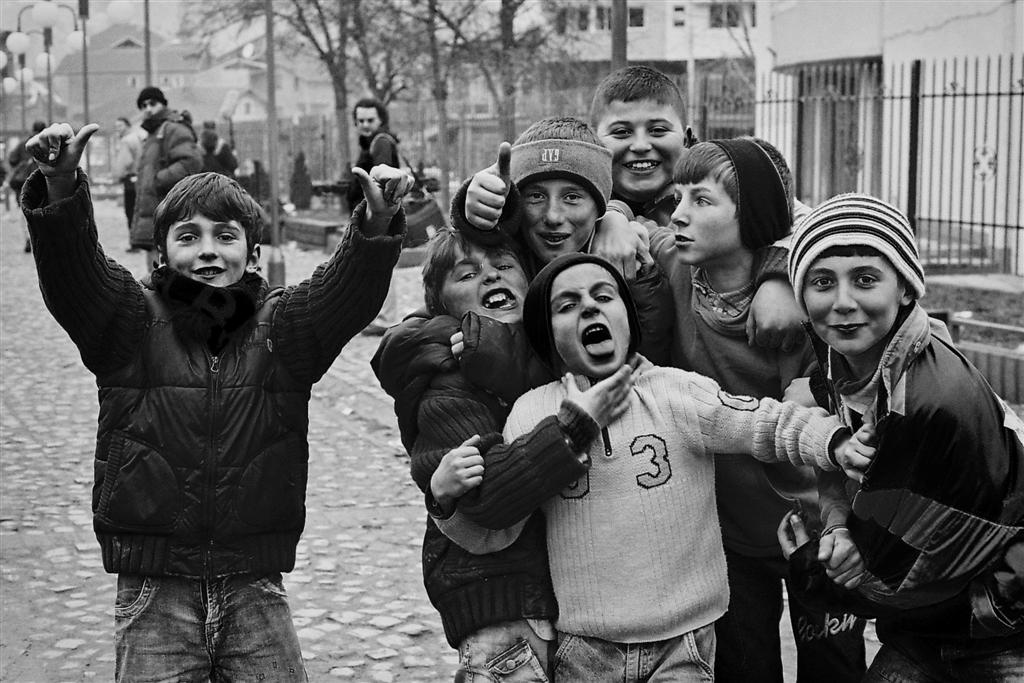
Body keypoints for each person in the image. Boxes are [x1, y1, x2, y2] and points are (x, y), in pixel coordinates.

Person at [20, 121, 412, 681]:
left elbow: (344, 293)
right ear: (160, 255)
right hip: (154, 592)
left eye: (225, 236)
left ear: (253, 255)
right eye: (188, 236)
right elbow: (74, 274)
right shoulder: (129, 321)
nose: (207, 250)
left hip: (255, 587)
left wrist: (375, 223)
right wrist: (61, 187)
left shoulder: (284, 328)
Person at [435, 252, 870, 681]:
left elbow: (766, 424)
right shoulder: (532, 414)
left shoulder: (677, 393)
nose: (589, 308)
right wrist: (445, 500)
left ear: (629, 318)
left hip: (684, 646)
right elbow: (499, 532)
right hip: (585, 651)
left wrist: (832, 442)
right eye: (566, 305)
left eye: (604, 296)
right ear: (546, 335)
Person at [639, 138, 866, 682]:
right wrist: (617, 221)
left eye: (702, 200)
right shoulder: (676, 263)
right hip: (728, 532)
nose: (679, 214)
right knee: (744, 667)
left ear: (754, 215)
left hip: (815, 523)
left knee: (833, 668)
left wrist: (783, 267)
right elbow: (627, 222)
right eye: (678, 197)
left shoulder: (802, 303)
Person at [780, 192, 1024, 682]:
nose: (843, 302)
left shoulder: (927, 402)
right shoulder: (843, 362)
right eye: (822, 281)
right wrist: (837, 526)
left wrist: (811, 566)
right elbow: (838, 464)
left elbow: (898, 574)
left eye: (865, 279)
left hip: (999, 623)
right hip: (927, 626)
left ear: (906, 289)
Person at [372, 228, 626, 681]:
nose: (490, 277)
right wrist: (570, 429)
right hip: (505, 614)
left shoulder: (553, 354)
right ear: (440, 304)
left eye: (504, 266)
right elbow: (488, 495)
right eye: (467, 274)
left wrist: (617, 219)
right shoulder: (446, 386)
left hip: (577, 603)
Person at [588, 65, 805, 350]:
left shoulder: (722, 179)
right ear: (594, 142)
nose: (640, 145)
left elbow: (798, 222)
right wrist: (612, 215)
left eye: (657, 130)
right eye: (621, 132)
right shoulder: (583, 203)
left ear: (687, 137)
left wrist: (780, 279)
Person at [132, 86, 203, 268]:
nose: (148, 109)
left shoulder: (172, 128)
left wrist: (159, 180)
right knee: (156, 268)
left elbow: (191, 162)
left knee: (168, 267)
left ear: (163, 104)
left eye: (152, 103)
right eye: (143, 105)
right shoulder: (153, 133)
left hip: (169, 210)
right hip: (157, 210)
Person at [350, 97, 402, 335]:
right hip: (370, 214)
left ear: (381, 120)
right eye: (360, 120)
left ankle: (384, 318)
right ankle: (377, 315)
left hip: (377, 215)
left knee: (381, 264)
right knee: (374, 264)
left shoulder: (380, 143)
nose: (365, 124)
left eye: (370, 120)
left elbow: (381, 177)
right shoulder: (371, 143)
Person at [7, 120, 46, 253]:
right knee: (42, 210)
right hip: (42, 184)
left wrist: (23, 163)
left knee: (24, 211)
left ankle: (29, 238)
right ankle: (41, 239)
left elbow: (12, 160)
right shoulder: (47, 144)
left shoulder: (24, 144)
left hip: (24, 185)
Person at [111, 116, 143, 250]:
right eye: (116, 126)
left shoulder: (126, 141)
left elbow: (125, 162)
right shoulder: (137, 138)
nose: (118, 129)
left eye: (120, 126)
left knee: (130, 210)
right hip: (139, 178)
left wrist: (118, 175)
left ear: (128, 126)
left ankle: (134, 242)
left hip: (130, 179)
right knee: (137, 209)